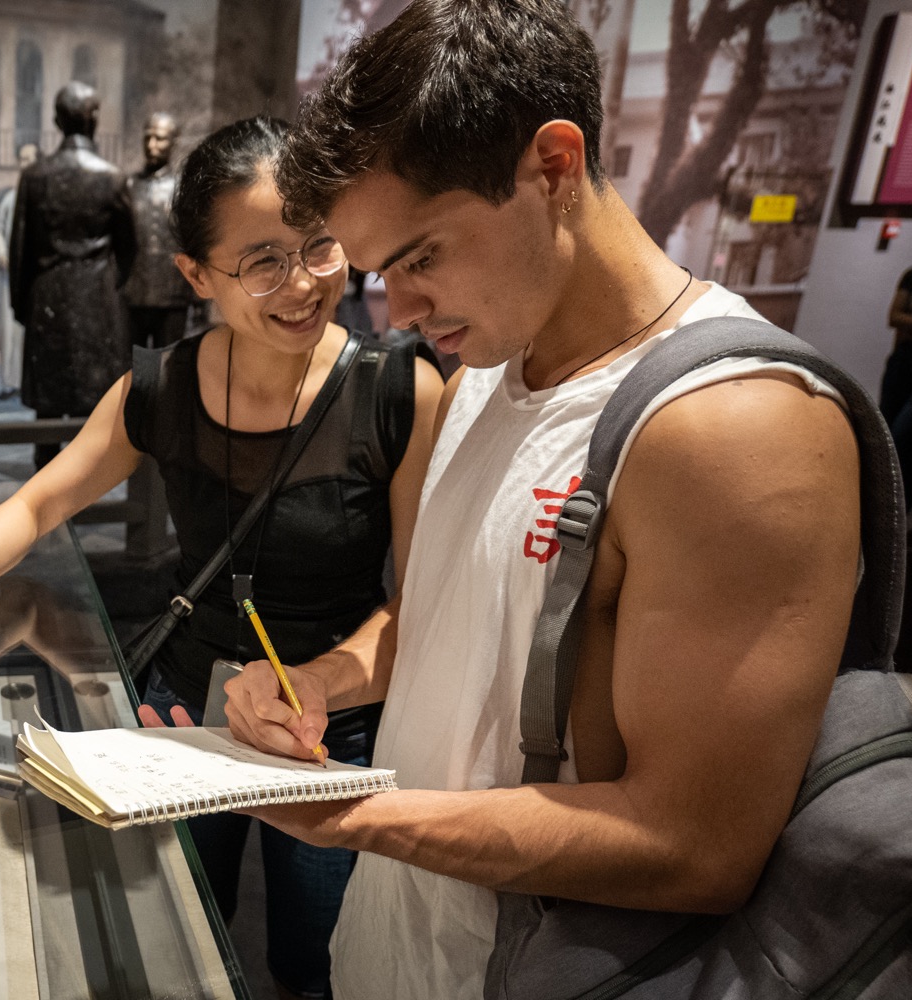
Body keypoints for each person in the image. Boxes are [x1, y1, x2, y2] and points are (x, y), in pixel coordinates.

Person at [201, 2, 861, 996]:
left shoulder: (735, 425)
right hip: (393, 951)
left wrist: (350, 818)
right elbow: (450, 615)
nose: (399, 311)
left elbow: (695, 846)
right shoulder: (485, 365)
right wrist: (320, 682)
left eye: (422, 256)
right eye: (381, 273)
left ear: (553, 166)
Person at [0, 116, 443, 1000]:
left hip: (331, 724)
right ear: (195, 275)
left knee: (317, 961)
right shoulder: (163, 383)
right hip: (186, 712)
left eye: (319, 246)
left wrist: (318, 684)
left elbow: (421, 606)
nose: (303, 284)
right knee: (176, 927)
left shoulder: (399, 391)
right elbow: (39, 500)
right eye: (262, 261)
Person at [9, 81, 137, 468]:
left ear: (56, 121)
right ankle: (84, 482)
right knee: (92, 406)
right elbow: (129, 249)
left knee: (47, 410)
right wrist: (110, 288)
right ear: (94, 120)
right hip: (97, 300)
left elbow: (20, 251)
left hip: (47, 296)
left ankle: (45, 482)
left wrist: (22, 306)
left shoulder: (35, 176)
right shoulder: (112, 177)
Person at [124, 112, 194, 349]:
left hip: (173, 296)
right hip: (135, 295)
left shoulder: (183, 189)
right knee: (140, 366)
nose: (152, 145)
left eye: (160, 139)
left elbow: (193, 242)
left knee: (168, 363)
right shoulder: (129, 186)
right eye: (148, 137)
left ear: (174, 142)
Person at [0, 143, 39, 401]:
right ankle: (10, 382)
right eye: (21, 159)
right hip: (11, 278)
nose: (24, 163)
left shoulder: (42, 196)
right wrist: (1, 253)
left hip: (35, 278)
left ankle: (31, 381)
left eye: (28, 158)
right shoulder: (10, 198)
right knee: (9, 331)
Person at [879, 265, 912, 510]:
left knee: (905, 436)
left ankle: (900, 505)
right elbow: (894, 317)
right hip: (903, 361)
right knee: (884, 430)